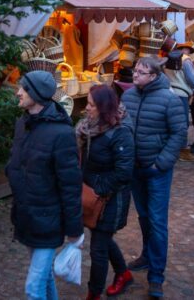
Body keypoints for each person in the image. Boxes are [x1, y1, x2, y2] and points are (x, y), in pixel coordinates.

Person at [7, 70, 83, 300]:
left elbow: (70, 186)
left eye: (24, 89)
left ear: (38, 95)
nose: (18, 92)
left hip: (48, 221)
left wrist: (75, 230)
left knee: (33, 288)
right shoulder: (22, 123)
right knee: (45, 276)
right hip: (27, 215)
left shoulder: (62, 134)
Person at [122, 57, 187, 299]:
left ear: (153, 76)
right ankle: (147, 256)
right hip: (134, 169)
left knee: (158, 222)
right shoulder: (127, 96)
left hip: (157, 171)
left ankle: (156, 277)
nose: (135, 74)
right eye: (135, 70)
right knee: (145, 217)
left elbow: (179, 133)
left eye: (141, 72)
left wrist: (161, 163)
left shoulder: (169, 99)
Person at [77, 85, 135, 300]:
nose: (86, 108)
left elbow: (124, 172)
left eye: (91, 105)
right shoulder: (88, 127)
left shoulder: (120, 133)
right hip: (94, 196)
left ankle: (94, 294)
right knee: (103, 237)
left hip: (111, 199)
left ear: (103, 107)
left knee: (98, 248)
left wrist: (99, 191)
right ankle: (124, 273)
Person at [165, 42, 194, 162]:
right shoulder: (186, 60)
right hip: (181, 94)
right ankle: (182, 152)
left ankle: (170, 149)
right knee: (182, 123)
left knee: (169, 122)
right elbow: (191, 78)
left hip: (169, 93)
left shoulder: (165, 58)